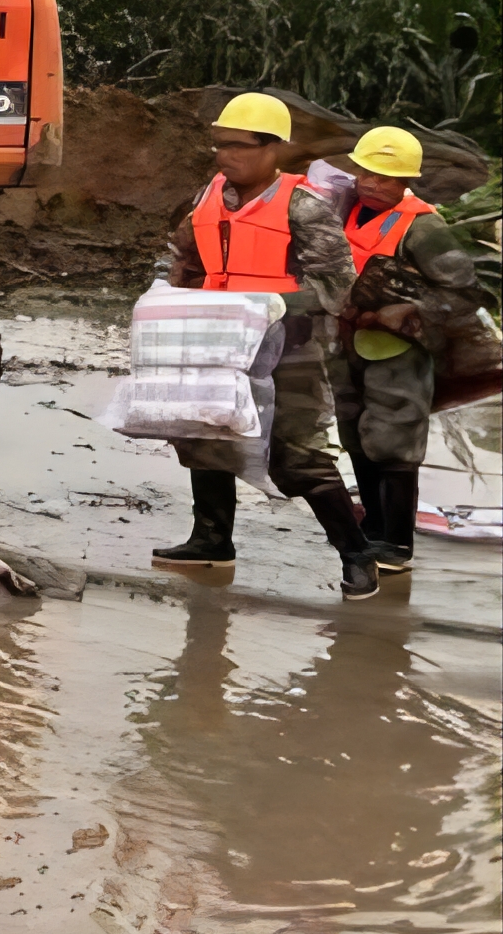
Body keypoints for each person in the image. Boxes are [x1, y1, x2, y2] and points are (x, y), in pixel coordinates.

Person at [144, 92, 372, 597]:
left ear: (272, 148)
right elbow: (182, 258)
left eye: (238, 146)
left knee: (299, 456)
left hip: (288, 350)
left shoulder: (302, 206)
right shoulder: (207, 197)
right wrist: (164, 296)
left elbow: (338, 285)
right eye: (219, 145)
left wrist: (276, 304)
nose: (225, 155)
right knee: (205, 437)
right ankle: (211, 541)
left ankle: (357, 555)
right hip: (215, 340)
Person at [335, 125, 476, 585]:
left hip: (399, 352)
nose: (371, 183)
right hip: (346, 344)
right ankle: (373, 530)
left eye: (385, 178)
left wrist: (406, 311)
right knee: (355, 436)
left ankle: (396, 543)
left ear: (406, 182)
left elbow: (463, 294)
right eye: (365, 173)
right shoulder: (345, 209)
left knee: (394, 443)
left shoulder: (423, 226)